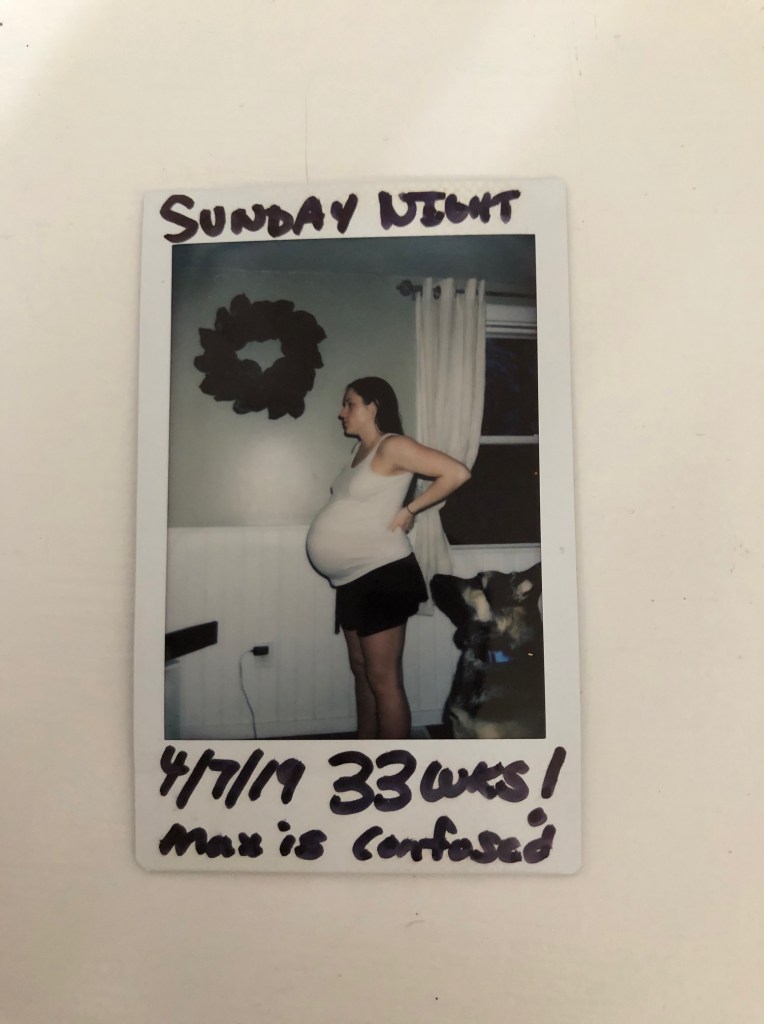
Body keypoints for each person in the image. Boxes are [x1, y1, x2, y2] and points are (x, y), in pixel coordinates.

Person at [306, 376, 471, 739]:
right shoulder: (358, 451)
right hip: (351, 578)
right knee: (361, 670)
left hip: (382, 574)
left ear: (373, 407)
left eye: (349, 403)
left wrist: (410, 509)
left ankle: (393, 763)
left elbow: (456, 473)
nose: (341, 412)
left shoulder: (392, 445)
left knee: (383, 679)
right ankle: (366, 751)